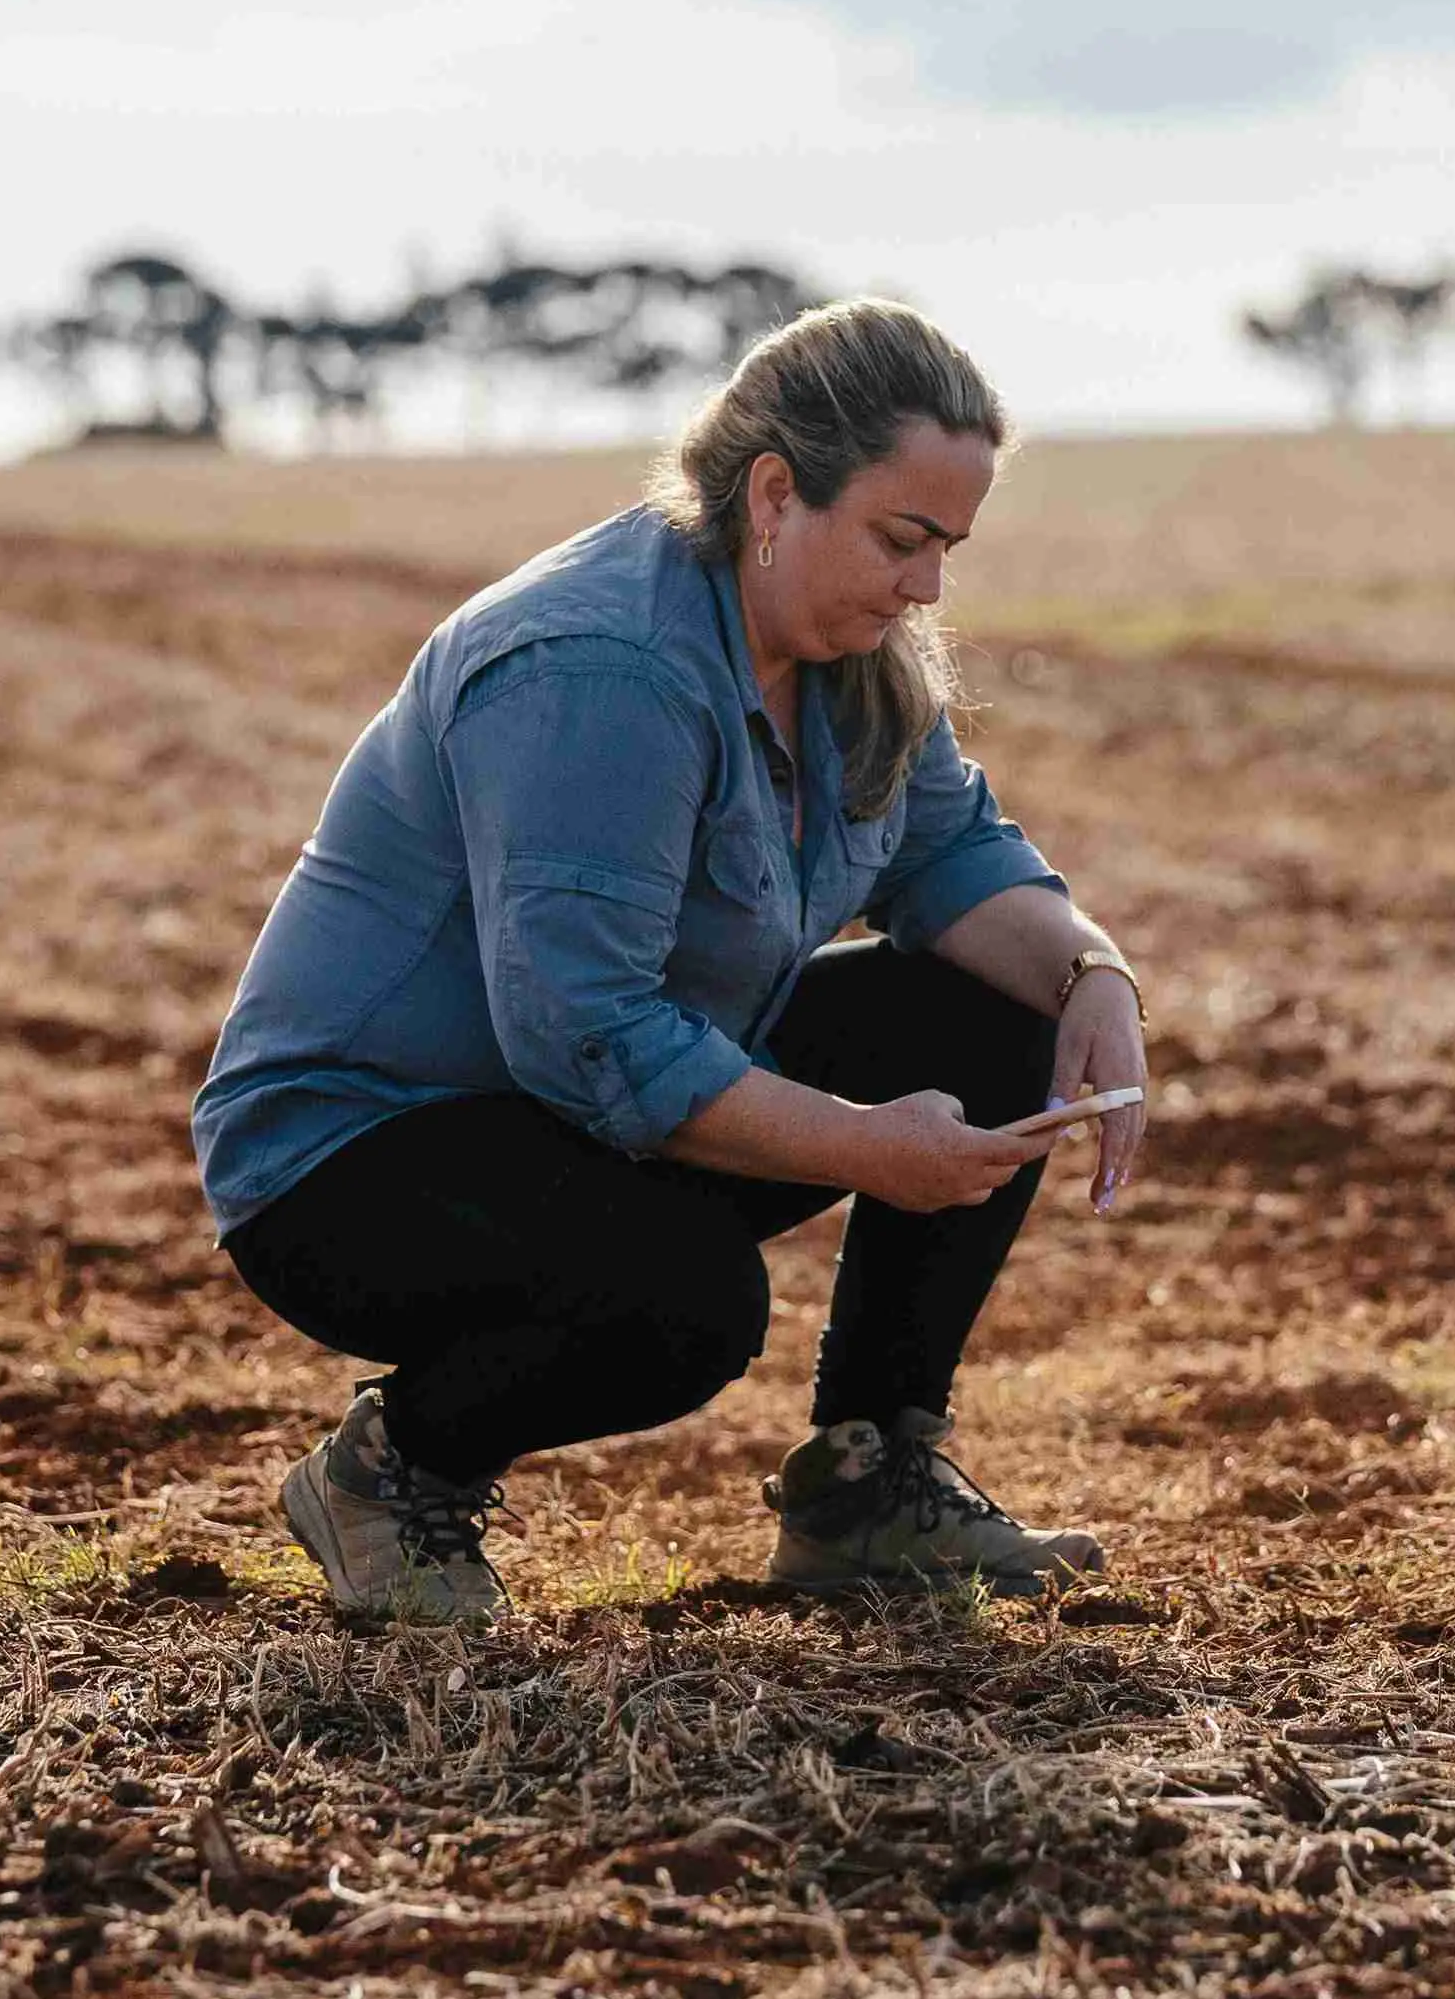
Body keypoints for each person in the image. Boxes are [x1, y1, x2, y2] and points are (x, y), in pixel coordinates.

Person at [191, 300, 1151, 1625]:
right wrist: (864, 1145)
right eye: (902, 540)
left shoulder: (853, 653)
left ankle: (868, 1490)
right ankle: (392, 1472)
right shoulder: (602, 667)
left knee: (998, 1008)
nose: (928, 587)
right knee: (688, 1303)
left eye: (949, 550)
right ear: (774, 492)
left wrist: (1092, 979)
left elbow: (954, 855)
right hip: (355, 1157)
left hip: (570, 1112)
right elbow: (589, 1040)